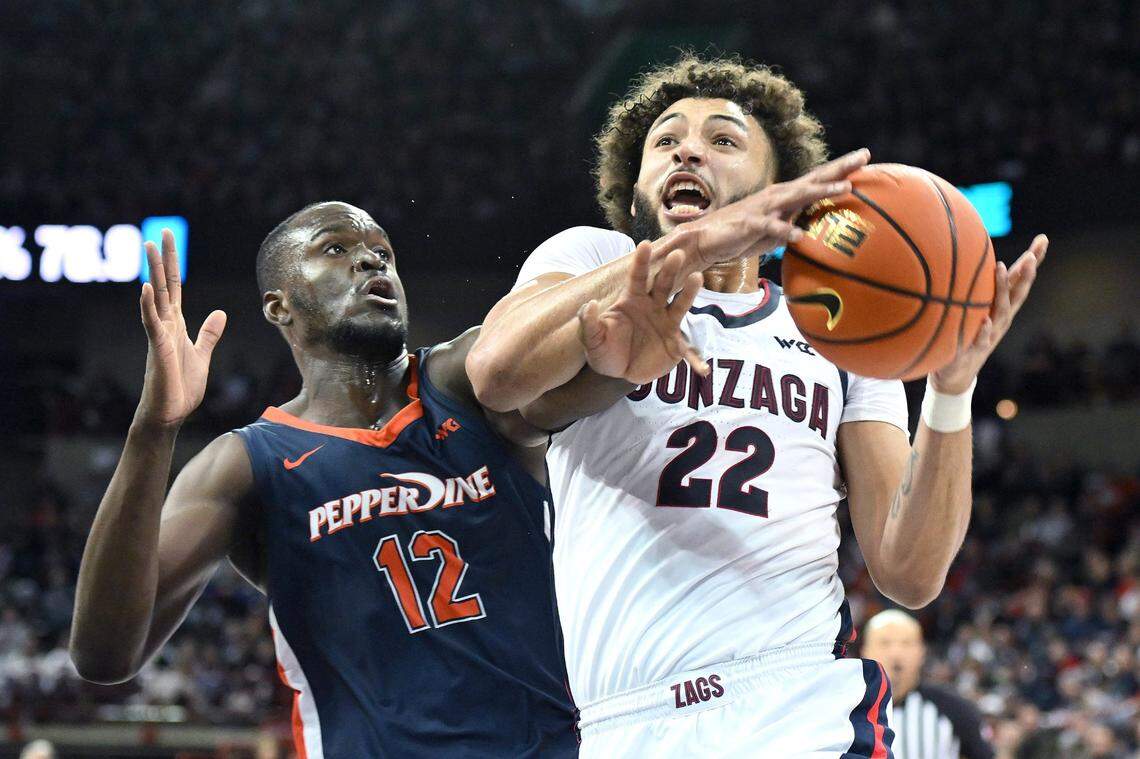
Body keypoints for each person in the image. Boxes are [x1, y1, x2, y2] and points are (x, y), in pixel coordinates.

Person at [466, 54, 1048, 756]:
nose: (688, 147)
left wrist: (952, 391)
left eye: (723, 140)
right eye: (666, 139)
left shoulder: (840, 326)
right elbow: (494, 372)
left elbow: (911, 573)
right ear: (637, 181)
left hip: (796, 702)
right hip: (619, 718)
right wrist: (693, 246)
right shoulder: (593, 257)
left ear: (777, 190)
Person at [69, 203, 577, 757]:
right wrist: (153, 429)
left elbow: (592, 358)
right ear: (279, 306)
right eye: (335, 248)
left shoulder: (466, 381)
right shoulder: (245, 463)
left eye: (383, 252)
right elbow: (104, 655)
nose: (369, 260)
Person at [861, 610, 994, 759]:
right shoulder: (845, 707)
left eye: (906, 643)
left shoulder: (953, 708)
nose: (895, 653)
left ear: (921, 651)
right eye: (884, 643)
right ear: (865, 650)